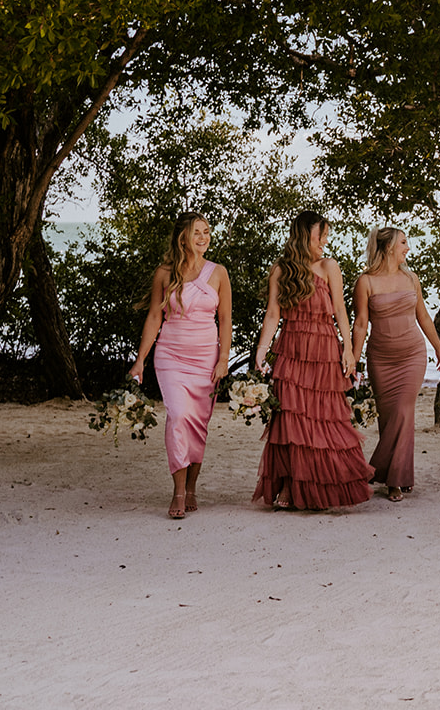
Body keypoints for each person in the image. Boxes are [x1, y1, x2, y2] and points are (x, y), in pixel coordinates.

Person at [251, 210, 374, 510]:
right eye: (321, 236)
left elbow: (341, 313)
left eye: (326, 236)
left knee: (324, 419)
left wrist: (349, 351)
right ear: (306, 235)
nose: (324, 242)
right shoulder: (281, 269)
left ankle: (317, 485)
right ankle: (292, 484)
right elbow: (272, 315)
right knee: (292, 420)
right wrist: (261, 350)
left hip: (323, 351)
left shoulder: (329, 266)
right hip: (292, 350)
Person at [128, 212, 231, 519]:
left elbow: (225, 319)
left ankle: (192, 487)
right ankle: (177, 490)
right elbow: (154, 317)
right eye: (197, 232)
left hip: (206, 360)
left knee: (198, 426)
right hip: (170, 356)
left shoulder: (219, 273)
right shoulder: (164, 273)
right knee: (178, 417)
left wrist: (224, 358)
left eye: (207, 231)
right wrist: (140, 359)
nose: (204, 237)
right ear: (182, 237)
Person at [352, 227, 440, 502]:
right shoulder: (366, 282)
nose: (408, 248)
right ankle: (395, 473)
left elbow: (425, 318)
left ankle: (392, 478)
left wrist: (439, 348)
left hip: (412, 355)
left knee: (404, 411)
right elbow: (360, 324)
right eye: (404, 243)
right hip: (381, 358)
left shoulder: (411, 278)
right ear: (389, 248)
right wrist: (354, 361)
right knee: (389, 417)